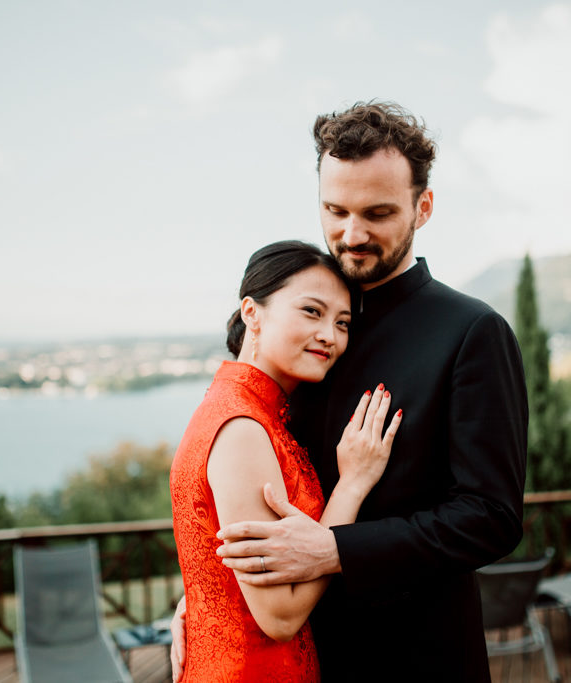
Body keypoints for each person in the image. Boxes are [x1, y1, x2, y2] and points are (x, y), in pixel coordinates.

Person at [174, 101, 528, 682]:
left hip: (415, 660)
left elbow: (491, 516)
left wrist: (335, 550)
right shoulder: (303, 330)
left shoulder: (471, 332)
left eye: (378, 213)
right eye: (335, 210)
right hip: (299, 655)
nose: (352, 233)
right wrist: (207, 599)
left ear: (424, 207)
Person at [169, 240, 403, 681]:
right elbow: (278, 616)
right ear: (251, 313)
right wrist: (352, 484)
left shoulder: (242, 410)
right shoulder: (242, 428)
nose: (329, 336)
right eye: (312, 312)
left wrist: (198, 600)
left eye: (343, 323)